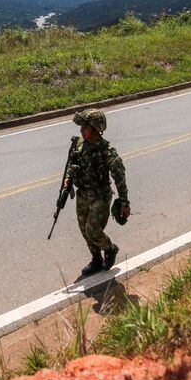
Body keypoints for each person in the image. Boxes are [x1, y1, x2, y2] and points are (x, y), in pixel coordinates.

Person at [63, 109, 130, 275]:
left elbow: (119, 178)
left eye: (85, 127)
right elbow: (72, 165)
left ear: (95, 128)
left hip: (100, 196)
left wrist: (124, 202)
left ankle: (110, 248)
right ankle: (96, 259)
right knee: (84, 230)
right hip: (83, 195)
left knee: (92, 230)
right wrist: (68, 179)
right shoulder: (79, 145)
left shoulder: (107, 152)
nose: (80, 130)